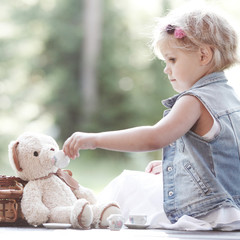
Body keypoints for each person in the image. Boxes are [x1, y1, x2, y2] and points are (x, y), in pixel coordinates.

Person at [63, 6, 240, 230]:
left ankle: (80, 214)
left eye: (172, 60)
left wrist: (95, 139)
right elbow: (224, 159)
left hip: (202, 211)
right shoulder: (230, 98)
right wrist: (180, 165)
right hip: (230, 206)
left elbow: (154, 137)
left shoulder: (194, 100)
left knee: (127, 184)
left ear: (203, 55)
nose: (167, 69)